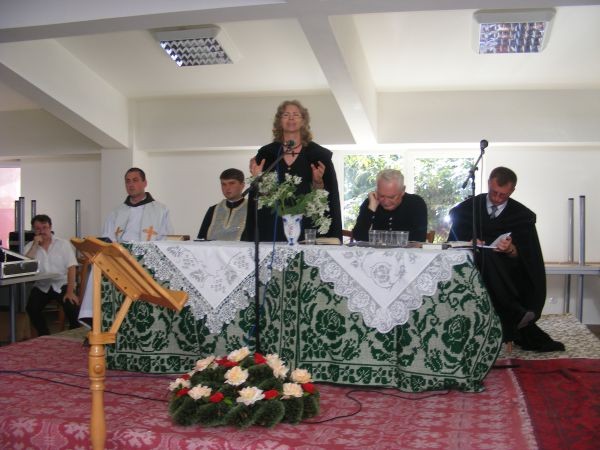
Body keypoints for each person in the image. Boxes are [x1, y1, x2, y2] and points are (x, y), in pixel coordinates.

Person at [448, 166, 564, 352]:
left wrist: (511, 249)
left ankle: (511, 317)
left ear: (512, 191)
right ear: (488, 183)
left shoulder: (521, 216)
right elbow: (452, 244)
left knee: (490, 258)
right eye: (494, 192)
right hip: (471, 267)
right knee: (485, 255)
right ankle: (515, 315)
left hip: (508, 271)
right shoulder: (467, 210)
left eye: (503, 195)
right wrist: (469, 243)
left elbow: (528, 257)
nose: (497, 198)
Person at [248, 100, 342, 242]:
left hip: (308, 228)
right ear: (279, 121)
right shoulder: (267, 154)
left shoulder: (318, 155)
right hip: (273, 227)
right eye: (286, 115)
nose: (291, 118)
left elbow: (328, 198)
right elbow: (261, 197)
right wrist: (258, 180)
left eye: (296, 115)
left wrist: (318, 182)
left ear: (303, 121)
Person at [25, 214, 80, 336]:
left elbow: (72, 268)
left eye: (44, 227)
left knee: (72, 306)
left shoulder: (63, 244)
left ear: (50, 227)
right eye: (38, 228)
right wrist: (35, 245)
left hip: (61, 283)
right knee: (31, 308)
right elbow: (25, 266)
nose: (42, 231)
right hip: (42, 285)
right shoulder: (30, 246)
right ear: (34, 230)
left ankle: (75, 334)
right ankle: (44, 335)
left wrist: (70, 291)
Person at [352, 169, 427, 242]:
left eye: (391, 197)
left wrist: (379, 239)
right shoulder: (371, 202)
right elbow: (358, 236)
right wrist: (371, 209)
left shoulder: (416, 203)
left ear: (402, 190)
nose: (386, 202)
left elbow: (419, 238)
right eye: (381, 196)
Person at [102, 167, 173, 242]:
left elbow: (165, 239)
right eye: (128, 181)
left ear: (145, 183)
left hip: (148, 249)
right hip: (120, 249)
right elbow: (107, 238)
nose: (131, 185)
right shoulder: (116, 212)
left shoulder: (160, 210)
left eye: (135, 180)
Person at [197, 168, 249, 240]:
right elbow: (201, 239)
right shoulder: (213, 210)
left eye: (232, 183)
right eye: (223, 184)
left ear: (242, 185)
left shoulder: (252, 209)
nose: (227, 188)